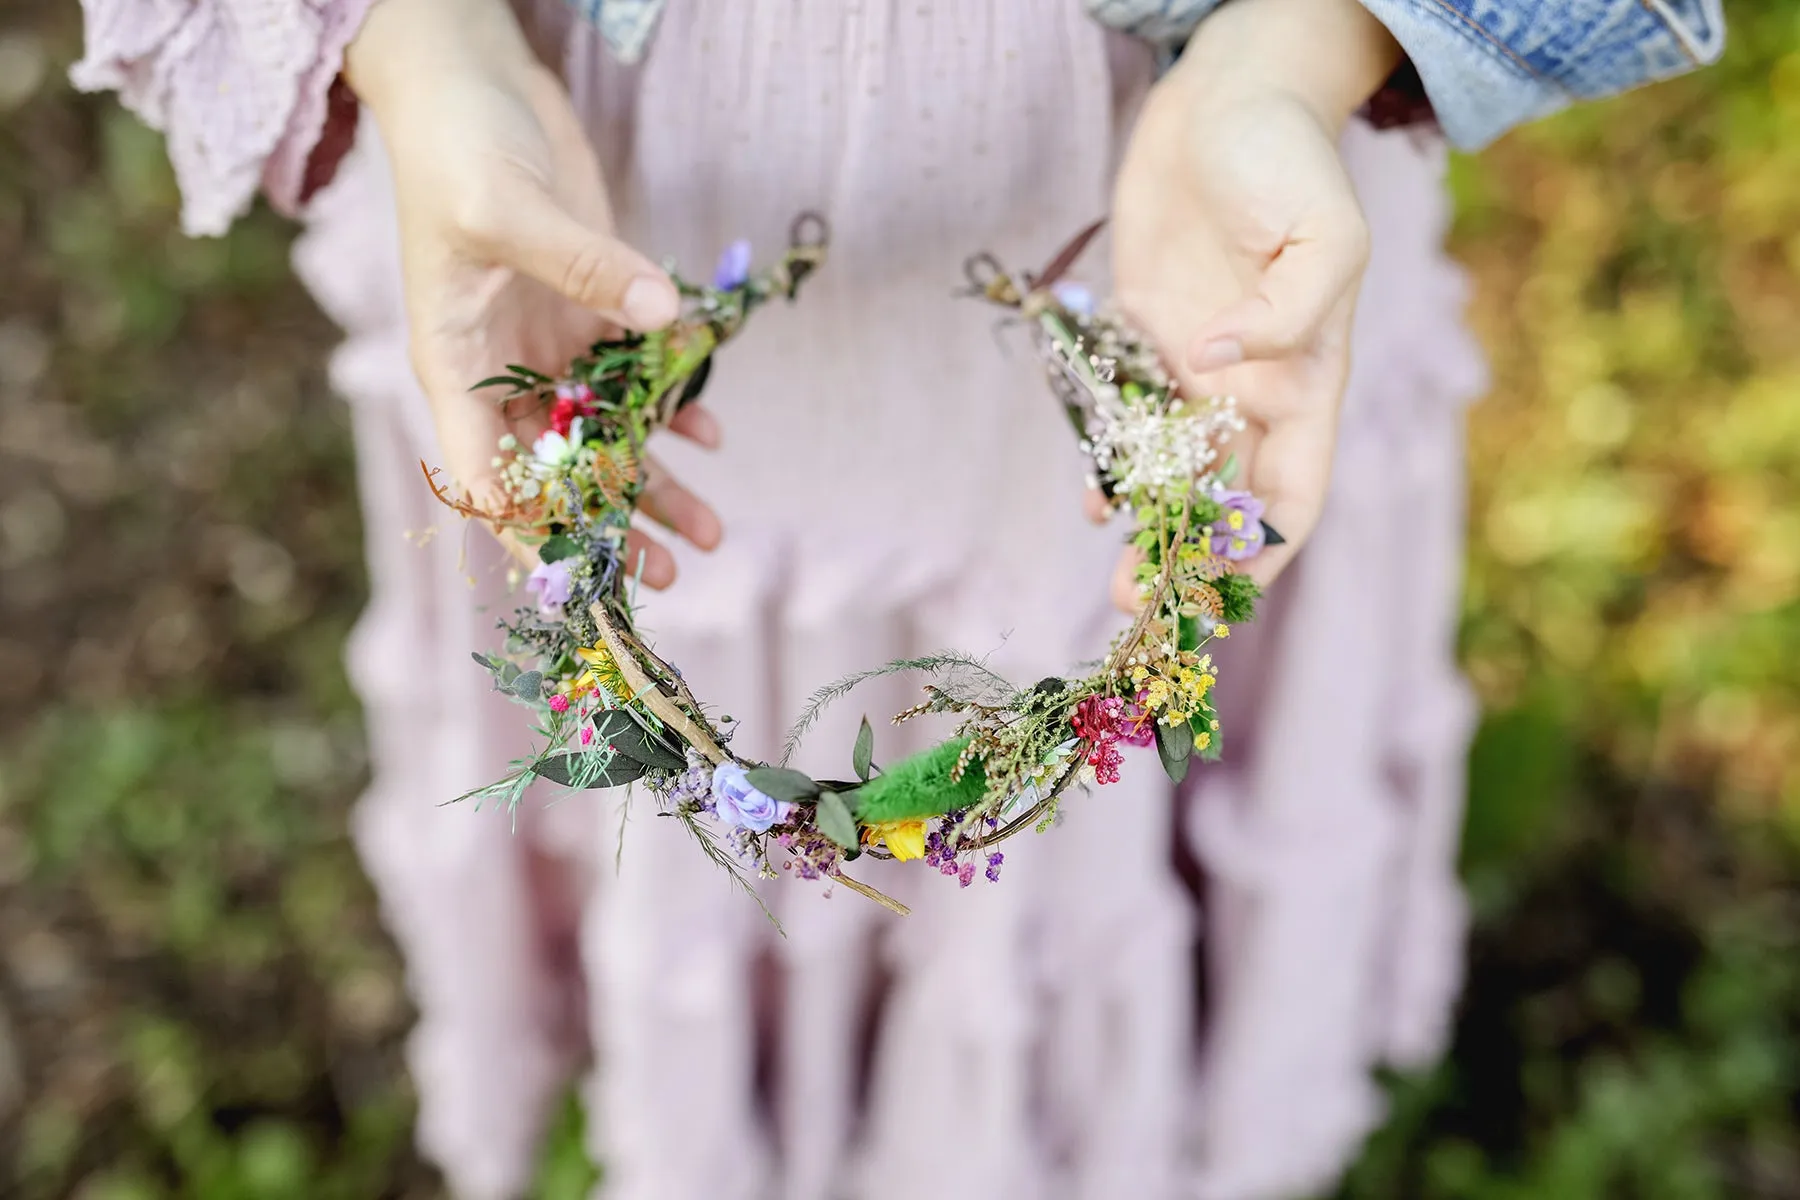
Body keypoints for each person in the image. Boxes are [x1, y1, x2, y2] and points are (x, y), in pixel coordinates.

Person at [74, 1, 1723, 1196]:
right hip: (577, 184)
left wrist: (1300, 47)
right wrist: (424, 46)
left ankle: (1132, 1113)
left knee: (1103, 699)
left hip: (1175, 197)